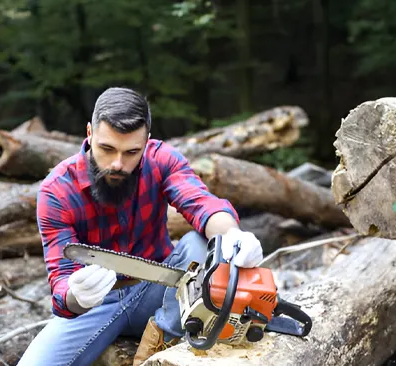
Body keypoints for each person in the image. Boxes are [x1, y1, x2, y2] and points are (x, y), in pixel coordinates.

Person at [17, 87, 264, 366]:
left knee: (199, 244)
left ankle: (166, 346)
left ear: (146, 142)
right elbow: (61, 284)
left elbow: (202, 204)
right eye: (106, 149)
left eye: (131, 152)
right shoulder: (57, 191)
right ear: (89, 133)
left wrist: (232, 234)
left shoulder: (162, 159)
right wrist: (77, 295)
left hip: (161, 291)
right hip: (97, 302)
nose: (118, 164)